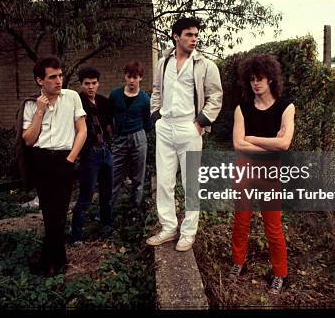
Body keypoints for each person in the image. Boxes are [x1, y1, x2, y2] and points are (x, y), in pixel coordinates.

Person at [147, 17, 223, 252]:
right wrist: (155, 116)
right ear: (175, 36)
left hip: (189, 128)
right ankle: (169, 228)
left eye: (196, 35)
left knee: (191, 183)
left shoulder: (205, 65)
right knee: (164, 182)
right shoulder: (162, 63)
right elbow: (157, 90)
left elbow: (216, 97)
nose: (194, 39)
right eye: (189, 34)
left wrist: (200, 123)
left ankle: (188, 233)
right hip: (166, 127)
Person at [231, 53, 295, 294]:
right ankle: (238, 262)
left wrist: (253, 138)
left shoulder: (285, 106)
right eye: (251, 79)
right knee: (241, 221)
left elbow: (285, 144)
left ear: (270, 79)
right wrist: (269, 143)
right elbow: (238, 145)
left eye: (260, 78)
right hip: (245, 168)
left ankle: (279, 274)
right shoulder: (242, 108)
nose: (255, 83)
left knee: (273, 227)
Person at [21, 56, 87, 277]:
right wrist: (40, 111)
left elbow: (82, 131)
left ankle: (47, 263)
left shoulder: (72, 97)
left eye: (60, 75)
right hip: (41, 161)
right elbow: (28, 140)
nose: (59, 81)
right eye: (53, 77)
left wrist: (71, 159)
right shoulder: (31, 104)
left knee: (59, 213)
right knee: (50, 214)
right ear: (40, 80)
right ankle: (57, 262)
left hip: (63, 159)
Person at [70, 66, 114, 244]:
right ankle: (77, 235)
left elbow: (109, 125)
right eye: (86, 83)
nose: (90, 87)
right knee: (86, 194)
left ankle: (107, 226)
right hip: (90, 154)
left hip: (105, 150)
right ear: (81, 85)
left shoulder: (103, 102)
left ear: (98, 84)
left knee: (107, 192)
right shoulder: (77, 103)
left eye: (94, 83)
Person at [109, 61, 151, 211]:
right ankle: (108, 211)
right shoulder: (115, 95)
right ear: (125, 77)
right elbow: (109, 117)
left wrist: (139, 135)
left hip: (138, 137)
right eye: (129, 77)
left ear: (140, 78)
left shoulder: (145, 99)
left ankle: (134, 209)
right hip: (119, 138)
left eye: (135, 77)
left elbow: (148, 122)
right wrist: (114, 134)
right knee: (114, 175)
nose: (132, 80)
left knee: (138, 176)